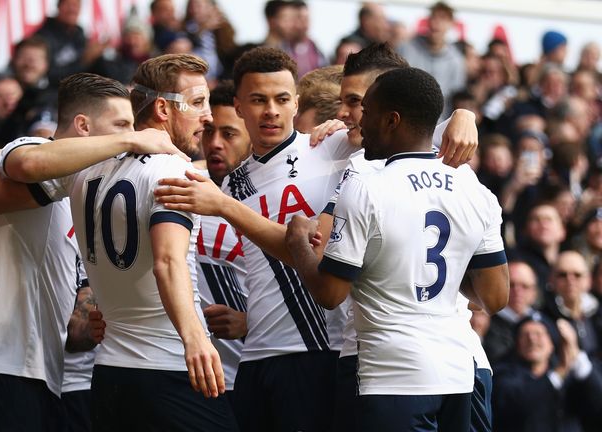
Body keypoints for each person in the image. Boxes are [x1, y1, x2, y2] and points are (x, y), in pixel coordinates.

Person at [155, 43, 479, 432]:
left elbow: (420, 129)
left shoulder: (336, 146)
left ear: (296, 103)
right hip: (255, 357)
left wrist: (463, 114)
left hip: (319, 350)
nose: (271, 110)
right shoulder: (233, 183)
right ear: (239, 106)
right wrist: (248, 319)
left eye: (281, 99)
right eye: (258, 100)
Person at [0, 60, 237, 430]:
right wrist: (195, 340)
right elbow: (168, 263)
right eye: (199, 103)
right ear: (163, 108)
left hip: (109, 371)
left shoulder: (87, 169)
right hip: (170, 364)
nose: (206, 117)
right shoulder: (171, 170)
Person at [0, 72, 183, 431]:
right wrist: (134, 140)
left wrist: (94, 323)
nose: (129, 136)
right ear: (83, 126)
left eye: (131, 127)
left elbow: (74, 331)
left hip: (38, 375)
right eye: (120, 125)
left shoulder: (84, 197)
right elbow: (21, 167)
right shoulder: (34, 150)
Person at [284, 67, 509, 432]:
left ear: (391, 120)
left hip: (390, 376)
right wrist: (448, 271)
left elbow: (330, 292)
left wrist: (297, 245)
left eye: (367, 112)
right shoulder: (475, 189)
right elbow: (495, 297)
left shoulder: (367, 186)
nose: (360, 122)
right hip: (458, 373)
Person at [195, 81, 252, 407]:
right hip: (190, 377)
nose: (214, 143)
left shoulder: (269, 199)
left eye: (228, 134)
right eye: (208, 131)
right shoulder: (179, 185)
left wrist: (250, 323)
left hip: (250, 373)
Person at [397, 2, 466, 117]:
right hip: (405, 118)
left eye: (442, 18)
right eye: (433, 17)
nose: (436, 22)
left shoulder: (456, 61)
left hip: (438, 123)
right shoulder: (406, 48)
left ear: (451, 24)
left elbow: (457, 97)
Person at [484, 260, 540, 362]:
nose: (517, 291)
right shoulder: (485, 323)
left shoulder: (543, 323)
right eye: (511, 285)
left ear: (534, 292)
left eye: (524, 286)